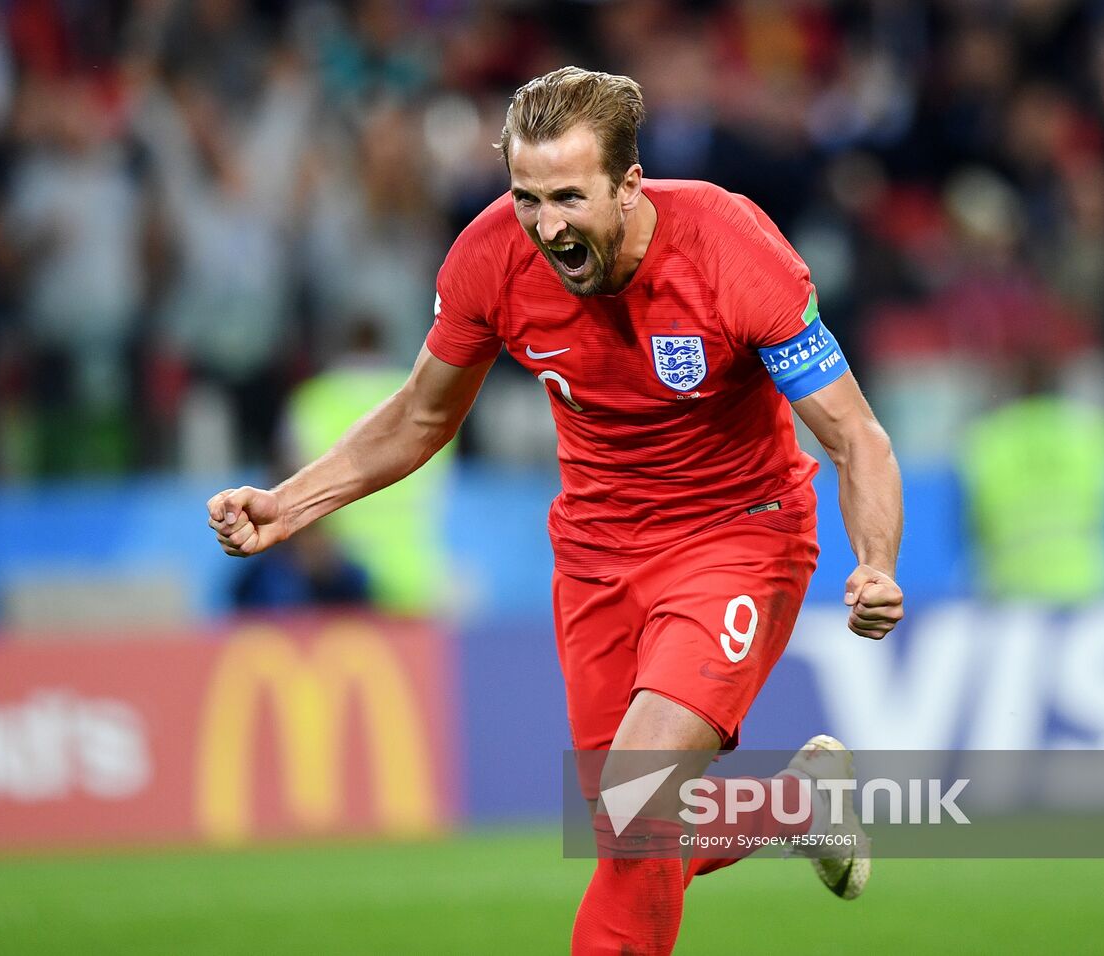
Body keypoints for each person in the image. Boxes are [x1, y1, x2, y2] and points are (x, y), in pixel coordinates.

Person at [206, 67, 904, 954]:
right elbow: (422, 415)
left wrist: (874, 561)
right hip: (596, 553)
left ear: (629, 183)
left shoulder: (733, 248)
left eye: (570, 197)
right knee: (630, 832)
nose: (547, 225)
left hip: (737, 533)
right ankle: (791, 804)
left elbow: (857, 437)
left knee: (638, 799)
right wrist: (288, 503)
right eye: (526, 196)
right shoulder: (490, 256)